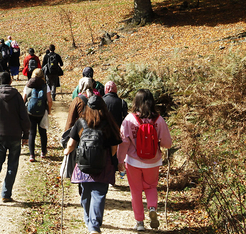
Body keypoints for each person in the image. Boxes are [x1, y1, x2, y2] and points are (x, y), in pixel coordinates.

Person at [64, 94, 122, 234]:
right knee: (99, 193)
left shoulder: (81, 122)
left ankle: (88, 220)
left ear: (87, 107)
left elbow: (71, 144)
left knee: (85, 193)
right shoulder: (108, 124)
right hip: (103, 164)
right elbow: (114, 150)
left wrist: (67, 151)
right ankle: (94, 226)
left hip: (84, 164)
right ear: (104, 108)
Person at [117, 89, 173, 232]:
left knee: (135, 191)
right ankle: (152, 207)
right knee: (151, 186)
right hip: (153, 161)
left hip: (134, 162)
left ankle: (139, 222)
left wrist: (120, 161)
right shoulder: (159, 120)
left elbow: (123, 143)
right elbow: (167, 143)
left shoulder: (129, 120)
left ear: (136, 101)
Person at [0, 71, 30, 203]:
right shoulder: (17, 96)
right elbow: (24, 118)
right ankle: (6, 194)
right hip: (15, 135)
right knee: (12, 165)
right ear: (11, 81)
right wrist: (26, 134)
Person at [23, 68, 53, 162]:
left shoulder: (28, 85)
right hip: (41, 112)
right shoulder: (45, 86)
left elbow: (23, 99)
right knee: (42, 132)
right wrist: (49, 110)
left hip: (30, 112)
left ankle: (32, 155)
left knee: (32, 133)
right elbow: (49, 100)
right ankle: (43, 152)